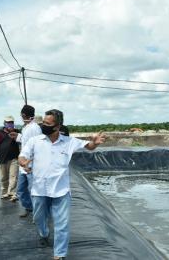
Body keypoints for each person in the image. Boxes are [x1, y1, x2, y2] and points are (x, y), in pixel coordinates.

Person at [19, 109, 106, 260]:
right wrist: (24, 163)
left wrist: (95, 143)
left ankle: (59, 254)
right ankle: (44, 233)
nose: (43, 125)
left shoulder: (69, 142)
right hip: (39, 189)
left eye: (47, 123)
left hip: (61, 190)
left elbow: (89, 146)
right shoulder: (35, 141)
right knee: (39, 218)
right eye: (43, 122)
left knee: (62, 223)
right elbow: (22, 156)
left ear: (57, 126)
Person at [12, 105, 41, 217]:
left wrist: (30, 164)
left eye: (21, 114)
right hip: (23, 165)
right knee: (21, 190)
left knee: (34, 191)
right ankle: (29, 208)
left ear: (24, 114)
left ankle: (38, 213)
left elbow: (36, 147)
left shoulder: (34, 128)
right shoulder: (27, 127)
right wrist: (18, 136)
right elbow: (26, 142)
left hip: (30, 166)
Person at [0, 115, 20, 201]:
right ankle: (4, 192)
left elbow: (22, 140)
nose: (10, 124)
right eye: (8, 122)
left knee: (13, 176)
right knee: (3, 177)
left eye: (11, 122)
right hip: (1, 158)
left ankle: (12, 193)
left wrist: (15, 135)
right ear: (4, 123)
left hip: (14, 158)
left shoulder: (16, 132)